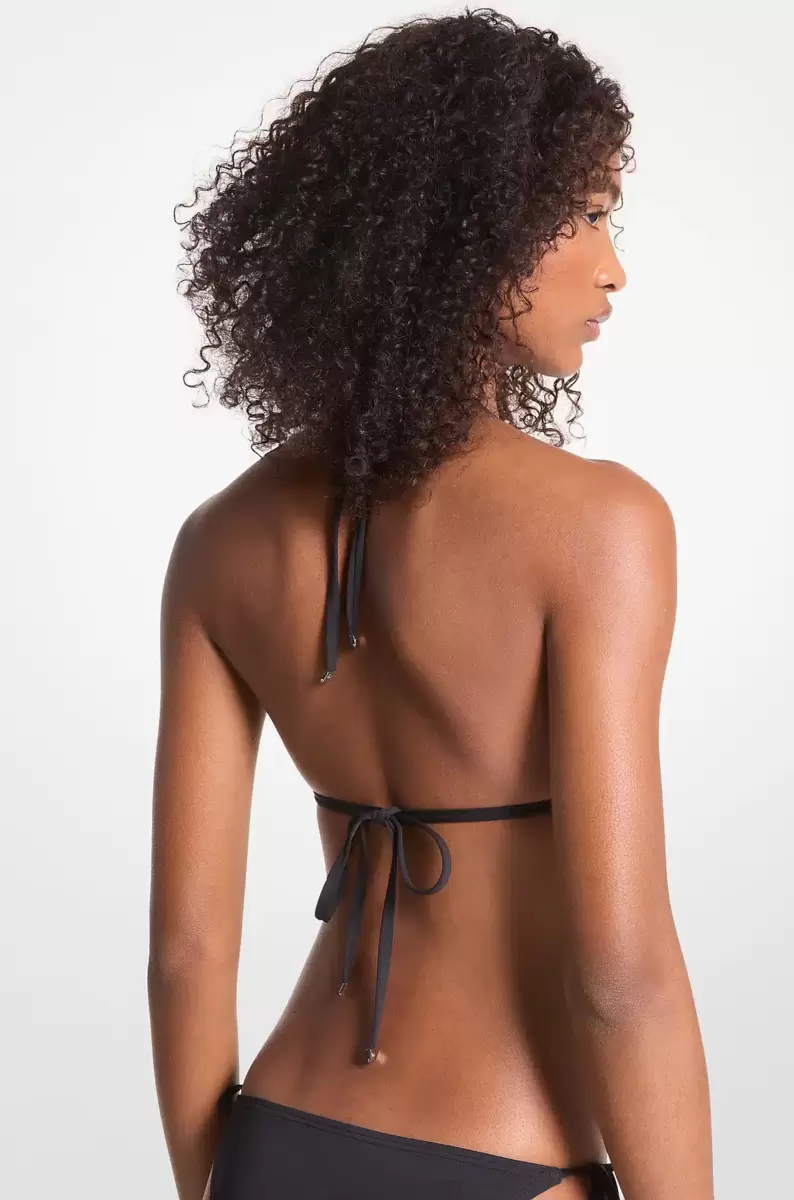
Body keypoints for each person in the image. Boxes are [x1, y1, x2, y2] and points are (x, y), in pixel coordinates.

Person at [149, 9, 713, 1200]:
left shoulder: (218, 543)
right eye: (588, 212)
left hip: (275, 1137)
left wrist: (223, 1186)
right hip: (507, 1152)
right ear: (472, 227)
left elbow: (184, 957)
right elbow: (622, 978)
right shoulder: (601, 528)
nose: (613, 266)